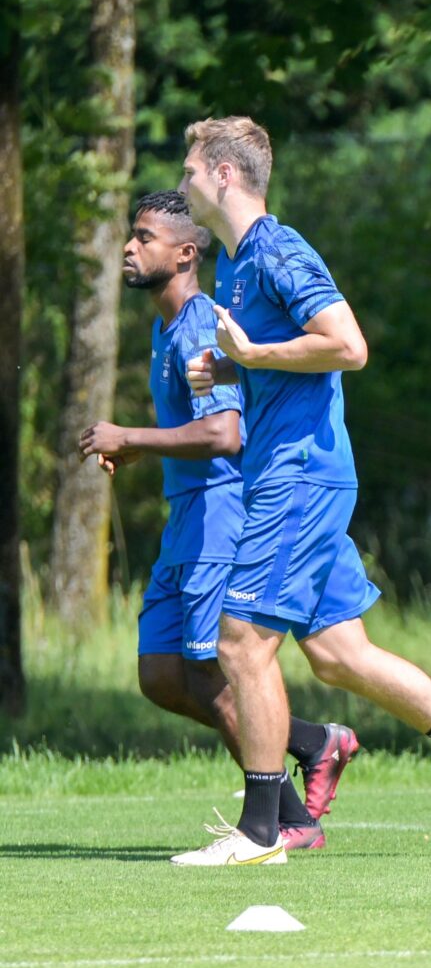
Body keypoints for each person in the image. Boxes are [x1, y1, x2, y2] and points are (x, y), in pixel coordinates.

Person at [174, 118, 431, 865]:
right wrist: (234, 369)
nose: (183, 185)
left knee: (241, 642)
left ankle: (263, 830)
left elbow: (349, 344)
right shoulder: (235, 266)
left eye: (190, 172)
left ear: (225, 176)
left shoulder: (278, 248)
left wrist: (252, 351)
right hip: (295, 471)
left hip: (299, 475)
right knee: (338, 654)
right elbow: (285, 358)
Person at [79, 191, 355, 852]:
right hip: (187, 519)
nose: (128, 247)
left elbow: (225, 433)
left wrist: (133, 438)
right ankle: (314, 742)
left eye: (143, 237)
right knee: (162, 674)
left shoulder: (202, 322)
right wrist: (137, 447)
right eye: (129, 235)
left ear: (184, 253)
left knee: (213, 669)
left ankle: (286, 814)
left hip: (220, 518)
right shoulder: (162, 326)